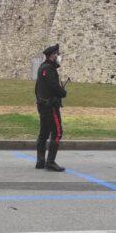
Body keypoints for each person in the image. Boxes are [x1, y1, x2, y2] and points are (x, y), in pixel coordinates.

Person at [34, 44, 68, 172]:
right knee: (57, 132)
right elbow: (54, 87)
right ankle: (50, 162)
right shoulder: (49, 69)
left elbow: (37, 88)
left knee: (44, 132)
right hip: (50, 107)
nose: (58, 56)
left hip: (42, 105)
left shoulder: (42, 68)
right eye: (56, 54)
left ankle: (40, 160)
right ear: (51, 55)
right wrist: (62, 93)